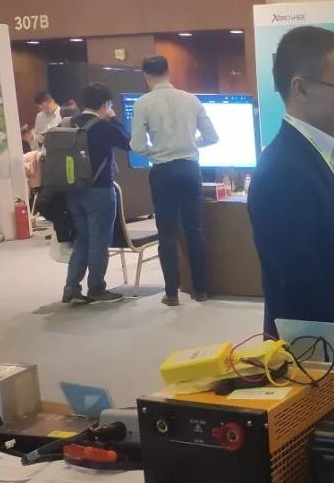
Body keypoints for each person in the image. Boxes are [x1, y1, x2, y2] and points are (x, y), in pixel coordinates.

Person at [248, 26, 334, 371]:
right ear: (301, 89)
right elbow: (302, 287)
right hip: (315, 362)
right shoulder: (281, 171)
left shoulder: (332, 154)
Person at [130, 55, 219, 307]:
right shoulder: (191, 99)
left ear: (146, 76)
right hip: (190, 168)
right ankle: (201, 290)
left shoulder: (143, 103)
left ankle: (171, 293)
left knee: (167, 234)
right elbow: (212, 136)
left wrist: (155, 151)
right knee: (195, 230)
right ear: (168, 71)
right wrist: (192, 143)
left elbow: (137, 145)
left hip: (162, 171)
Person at [62, 82, 131, 305]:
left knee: (82, 239)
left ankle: (71, 287)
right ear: (105, 104)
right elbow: (129, 142)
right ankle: (96, 288)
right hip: (99, 191)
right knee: (100, 240)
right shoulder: (103, 127)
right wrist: (114, 118)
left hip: (72, 192)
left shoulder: (68, 123)